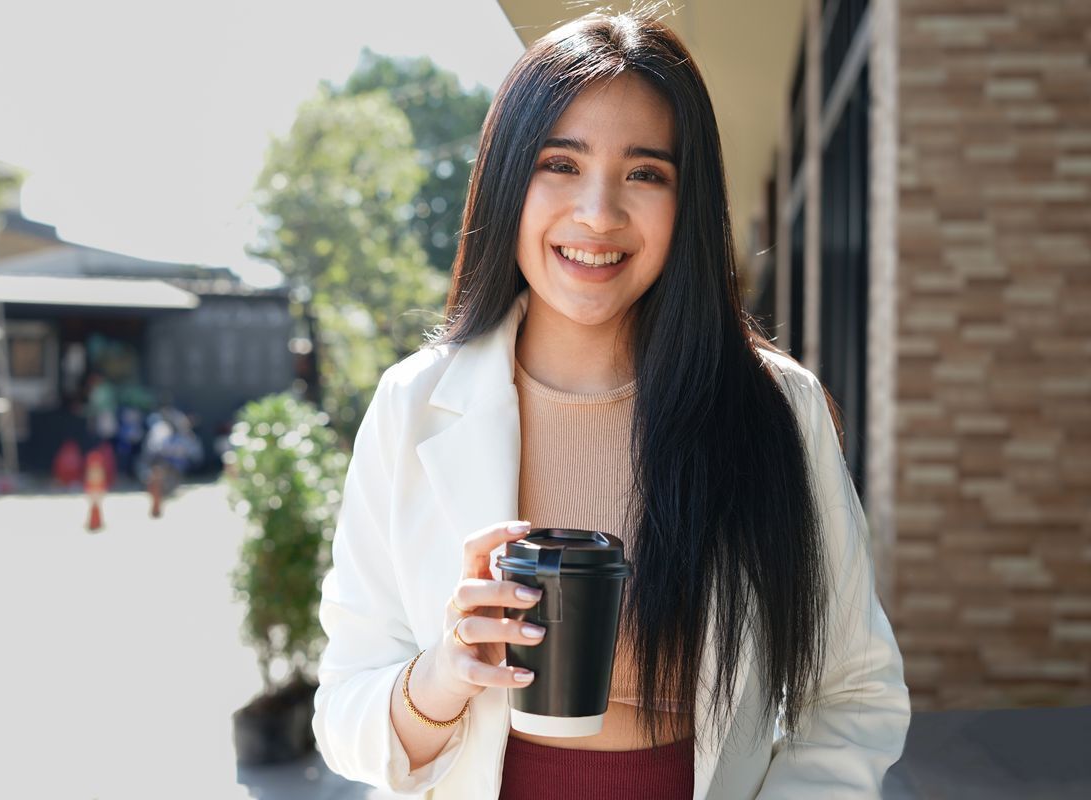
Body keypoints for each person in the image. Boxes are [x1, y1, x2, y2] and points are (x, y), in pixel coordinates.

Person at [312, 10, 909, 800]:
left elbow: (856, 693)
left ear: (687, 202)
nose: (598, 213)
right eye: (560, 163)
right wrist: (439, 678)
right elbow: (344, 712)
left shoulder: (776, 409)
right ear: (506, 179)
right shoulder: (412, 405)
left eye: (646, 173)